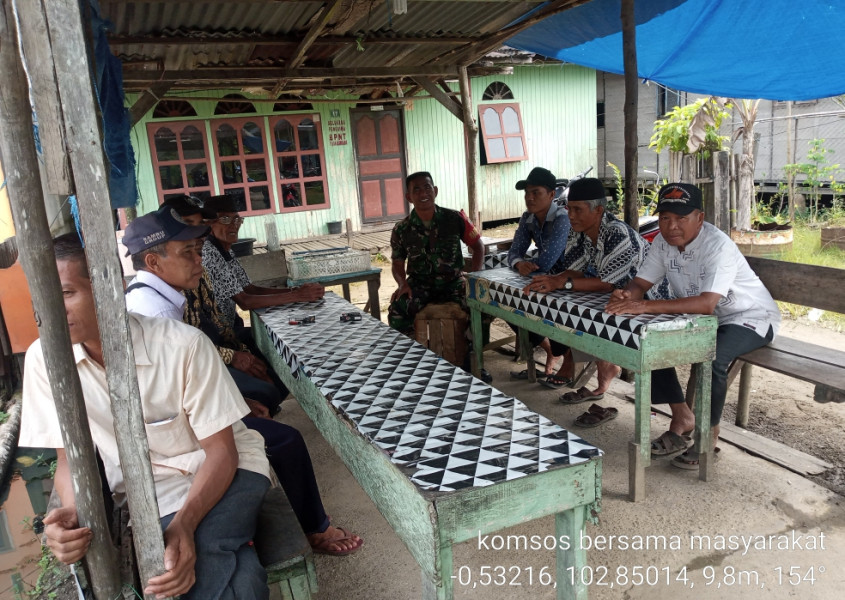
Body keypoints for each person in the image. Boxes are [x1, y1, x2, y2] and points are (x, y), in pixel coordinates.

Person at [20, 233, 272, 600]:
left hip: (230, 472)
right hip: (151, 494)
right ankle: (236, 546)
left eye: (66, 293)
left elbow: (222, 453)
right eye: (41, 298)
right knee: (223, 576)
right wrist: (72, 511)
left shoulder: (183, 345)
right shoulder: (44, 361)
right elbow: (69, 459)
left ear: (109, 288)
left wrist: (185, 525)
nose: (51, 310)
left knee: (184, 564)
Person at [125, 201, 363, 556]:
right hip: (176, 439)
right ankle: (317, 529)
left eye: (198, 249)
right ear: (153, 262)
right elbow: (175, 401)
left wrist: (234, 404)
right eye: (188, 252)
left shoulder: (161, 296)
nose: (199, 259)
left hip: (187, 418)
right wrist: (235, 410)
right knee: (285, 441)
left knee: (266, 392)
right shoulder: (155, 311)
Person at [605, 182, 780, 468]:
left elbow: (706, 303)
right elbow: (640, 283)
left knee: (712, 358)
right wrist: (627, 295)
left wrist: (644, 305)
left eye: (681, 218)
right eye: (665, 218)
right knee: (649, 338)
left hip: (748, 317)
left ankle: (707, 438)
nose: (671, 226)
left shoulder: (717, 246)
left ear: (700, 218)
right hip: (705, 319)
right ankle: (682, 416)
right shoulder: (662, 242)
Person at [525, 177, 652, 415]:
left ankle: (605, 366)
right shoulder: (580, 231)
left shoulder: (617, 232)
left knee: (585, 313)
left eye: (577, 209)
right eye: (569, 209)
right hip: (617, 297)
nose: (571, 215)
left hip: (649, 301)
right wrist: (552, 280)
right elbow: (576, 270)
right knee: (570, 308)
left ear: (599, 210)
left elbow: (606, 284)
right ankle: (602, 367)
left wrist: (561, 282)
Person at [200, 194, 324, 332]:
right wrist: (299, 296)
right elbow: (245, 301)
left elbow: (250, 289)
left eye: (237, 219)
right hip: (218, 335)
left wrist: (295, 290)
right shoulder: (209, 253)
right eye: (225, 219)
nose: (234, 225)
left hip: (230, 326)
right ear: (208, 223)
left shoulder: (225, 250)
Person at [388, 171, 484, 330]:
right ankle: (412, 345)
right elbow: (397, 262)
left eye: (427, 187)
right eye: (417, 190)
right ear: (409, 197)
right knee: (397, 309)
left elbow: (478, 247)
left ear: (435, 191)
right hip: (419, 285)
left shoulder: (455, 218)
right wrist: (402, 284)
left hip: (453, 283)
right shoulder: (401, 229)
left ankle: (472, 344)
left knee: (481, 306)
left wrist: (475, 278)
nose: (423, 193)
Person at [507, 167, 571, 379]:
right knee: (509, 306)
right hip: (543, 281)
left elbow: (546, 261)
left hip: (569, 282)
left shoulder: (562, 218)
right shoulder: (528, 217)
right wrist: (519, 264)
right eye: (527, 193)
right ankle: (550, 350)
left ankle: (565, 357)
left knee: (555, 317)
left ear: (552, 194)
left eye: (536, 192)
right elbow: (514, 252)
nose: (529, 198)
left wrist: (527, 264)